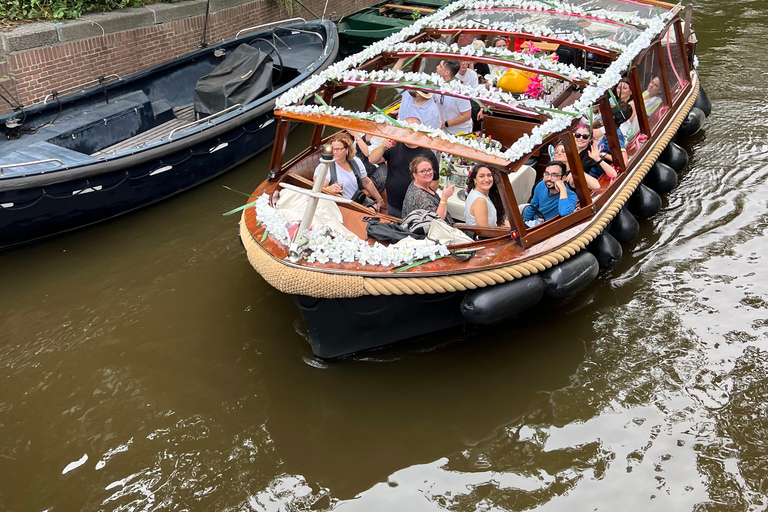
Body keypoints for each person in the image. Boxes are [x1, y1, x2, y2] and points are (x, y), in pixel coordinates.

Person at [368, 118, 440, 218]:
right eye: (404, 129)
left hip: (415, 207)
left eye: (410, 129)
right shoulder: (394, 145)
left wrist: (422, 198)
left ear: (418, 131)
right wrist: (382, 147)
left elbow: (435, 181)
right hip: (393, 203)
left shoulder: (427, 154)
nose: (407, 132)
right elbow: (372, 159)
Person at [313, 132, 384, 212]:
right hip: (339, 207)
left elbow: (366, 182)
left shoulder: (355, 161)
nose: (335, 152)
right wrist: (330, 189)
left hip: (357, 200)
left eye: (338, 149)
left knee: (376, 211)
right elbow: (317, 190)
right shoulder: (325, 167)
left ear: (347, 150)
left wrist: (379, 200)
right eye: (333, 149)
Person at [391, 58, 441, 130]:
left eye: (412, 87)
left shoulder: (432, 113)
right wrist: (401, 60)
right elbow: (393, 79)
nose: (408, 87)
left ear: (418, 94)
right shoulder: (407, 93)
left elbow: (431, 136)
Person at [401, 156, 455, 223]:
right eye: (423, 171)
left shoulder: (416, 183)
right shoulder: (420, 196)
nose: (428, 173)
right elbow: (437, 221)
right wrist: (444, 197)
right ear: (415, 175)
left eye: (429, 169)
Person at [434, 59, 473, 135]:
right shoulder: (436, 84)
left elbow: (466, 116)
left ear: (447, 72)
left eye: (440, 66)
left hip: (460, 133)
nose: (437, 67)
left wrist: (446, 124)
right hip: (442, 132)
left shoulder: (460, 91)